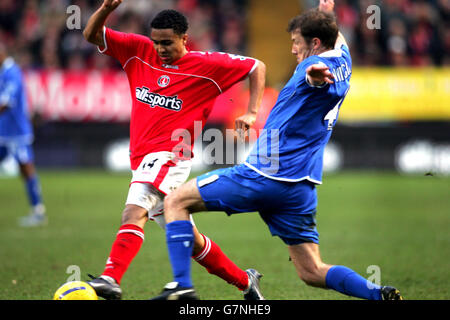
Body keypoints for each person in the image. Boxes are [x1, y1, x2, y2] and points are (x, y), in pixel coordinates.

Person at [152, 0, 403, 300]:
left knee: (176, 201)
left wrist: (315, 75)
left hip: (264, 175)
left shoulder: (314, 67)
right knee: (312, 271)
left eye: (297, 43)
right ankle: (378, 295)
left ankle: (182, 287)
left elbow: (315, 74)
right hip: (300, 188)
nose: (293, 50)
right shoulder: (344, 58)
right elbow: (336, 38)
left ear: (315, 43)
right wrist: (324, 16)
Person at [82, 0, 266, 300]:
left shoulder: (207, 66)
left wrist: (252, 111)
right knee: (190, 241)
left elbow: (257, 66)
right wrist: (105, 8)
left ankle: (110, 277)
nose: (159, 48)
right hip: (141, 157)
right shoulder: (137, 51)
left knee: (134, 208)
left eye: (166, 43)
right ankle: (246, 282)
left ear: (184, 37)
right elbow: (92, 35)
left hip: (171, 155)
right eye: (156, 42)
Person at [0, 43, 47, 227]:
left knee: (26, 168)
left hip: (17, 132)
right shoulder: (4, 71)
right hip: (4, 132)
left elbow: (6, 103)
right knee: (24, 168)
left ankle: (38, 211)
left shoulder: (12, 73)